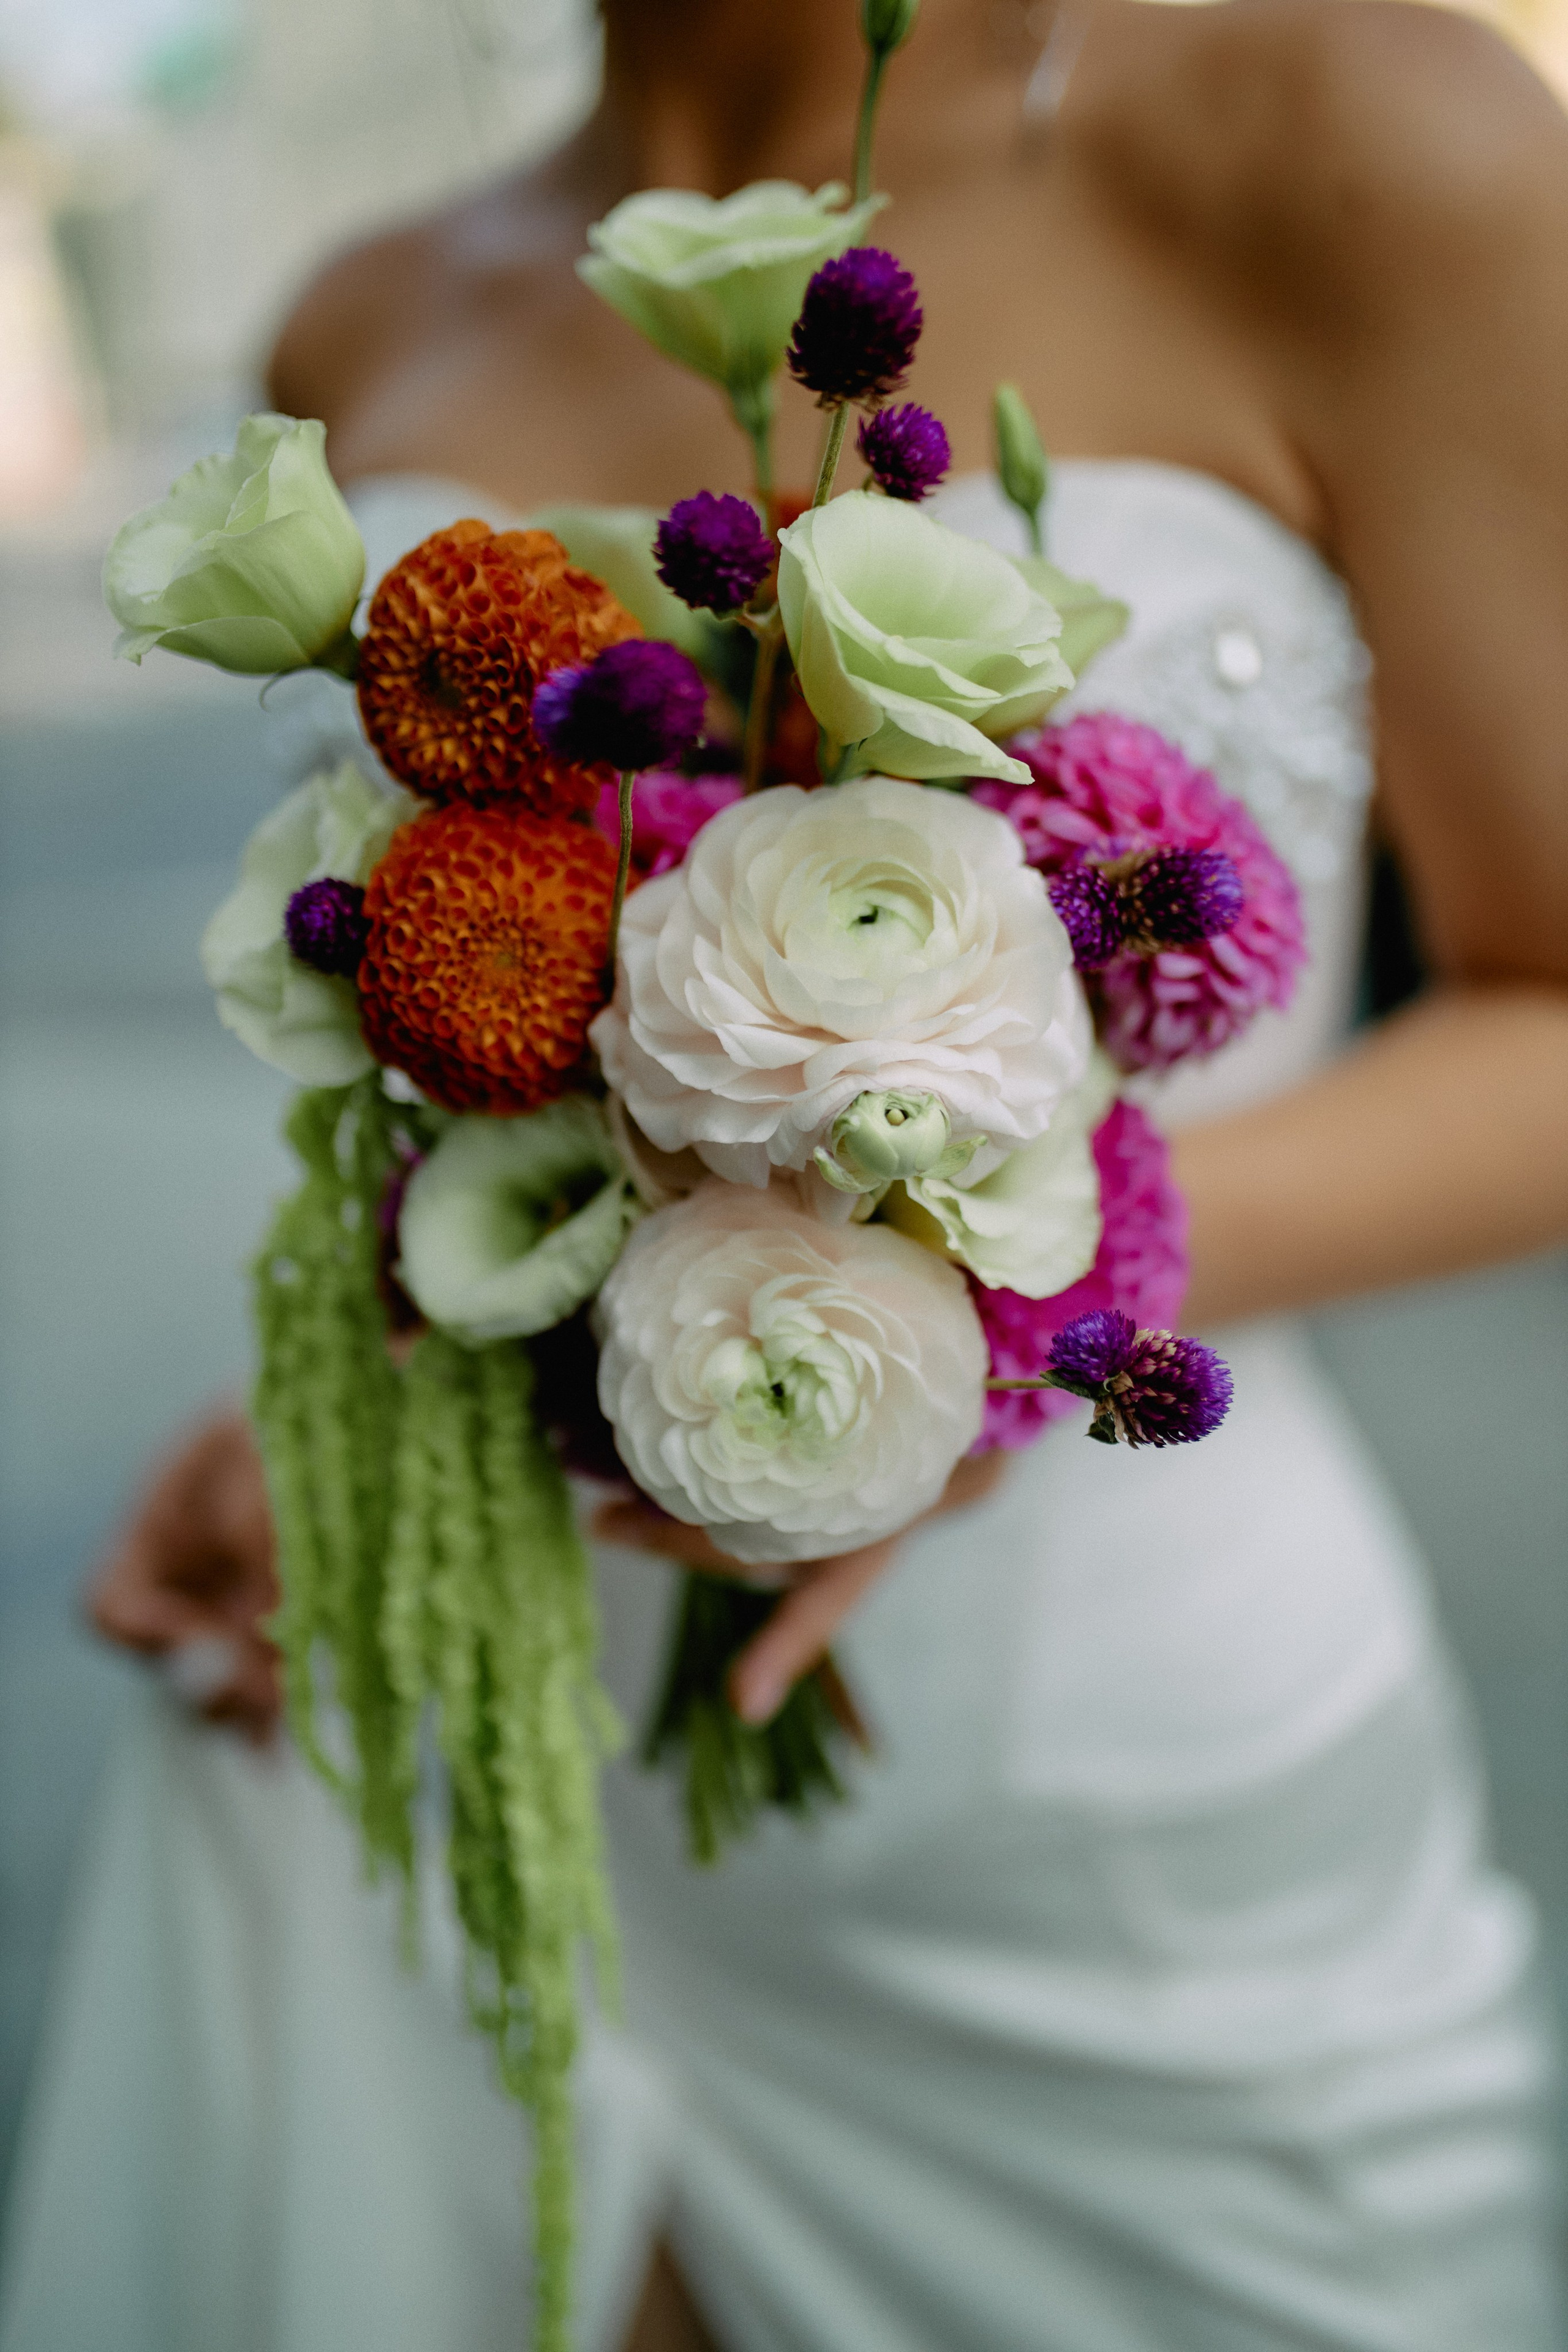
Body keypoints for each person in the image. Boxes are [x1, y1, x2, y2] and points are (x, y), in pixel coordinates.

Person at [10, 0, 1568, 2346]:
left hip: (1106, 1855)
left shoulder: (1355, 124)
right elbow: (451, 1060)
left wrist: (983, 1312)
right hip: (485, 1769)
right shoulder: (366, 306)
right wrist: (334, 1409)